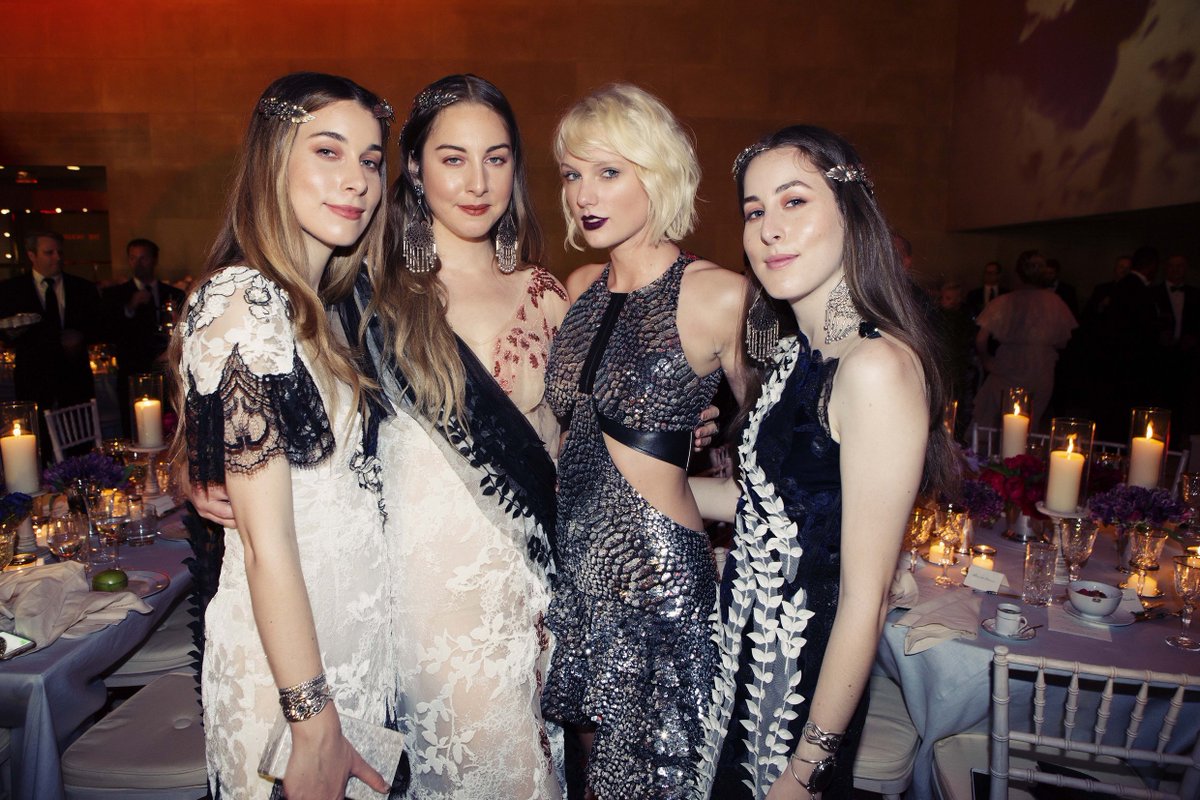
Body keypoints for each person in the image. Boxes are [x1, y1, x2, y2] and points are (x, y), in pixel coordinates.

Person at [690, 126, 957, 799]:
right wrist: (633, 473)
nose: (770, 229)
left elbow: (865, 602)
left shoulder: (875, 369)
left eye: (794, 202)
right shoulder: (793, 360)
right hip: (741, 660)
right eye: (754, 212)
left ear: (850, 212)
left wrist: (807, 771)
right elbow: (759, 508)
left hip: (804, 689)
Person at [170, 72, 398, 799]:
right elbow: (267, 542)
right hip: (293, 682)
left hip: (348, 649)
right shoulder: (246, 297)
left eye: (369, 160)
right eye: (328, 151)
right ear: (274, 161)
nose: (355, 179)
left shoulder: (327, 309)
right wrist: (313, 723)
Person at [364, 74, 568, 799]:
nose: (478, 182)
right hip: (427, 601)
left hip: (532, 590)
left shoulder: (549, 294)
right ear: (415, 167)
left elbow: (562, 452)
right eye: (453, 159)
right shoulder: (371, 292)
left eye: (497, 157)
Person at [541, 84, 747, 799]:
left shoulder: (720, 294)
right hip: (577, 576)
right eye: (572, 174)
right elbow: (574, 431)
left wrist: (709, 453)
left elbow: (780, 448)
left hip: (657, 580)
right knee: (587, 777)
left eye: (608, 172)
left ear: (656, 175)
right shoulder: (579, 288)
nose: (582, 194)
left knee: (653, 782)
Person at [0, 230, 104, 413]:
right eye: (49, 253)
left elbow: (101, 326)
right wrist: (11, 334)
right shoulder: (12, 289)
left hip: (74, 379)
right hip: (33, 378)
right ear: (32, 255)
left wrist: (80, 337)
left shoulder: (82, 288)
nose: (57, 258)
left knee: (79, 432)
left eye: (60, 252)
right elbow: (5, 330)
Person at [972, 249, 1076, 430]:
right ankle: (1021, 459)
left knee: (996, 426)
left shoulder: (1005, 301)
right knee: (1027, 425)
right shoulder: (1055, 303)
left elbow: (981, 339)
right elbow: (1062, 341)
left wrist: (987, 361)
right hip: (1040, 370)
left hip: (1008, 368)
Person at [103, 238, 186, 436]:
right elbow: (109, 330)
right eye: (133, 258)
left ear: (154, 260)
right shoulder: (116, 294)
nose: (138, 263)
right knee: (135, 427)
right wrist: (130, 307)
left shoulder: (173, 293)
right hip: (134, 369)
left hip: (167, 371)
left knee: (170, 423)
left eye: (143, 258)